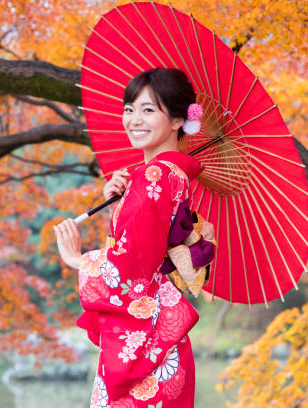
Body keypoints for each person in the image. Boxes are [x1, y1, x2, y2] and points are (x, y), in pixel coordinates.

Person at [54, 68, 215, 407]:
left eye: (148, 110)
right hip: (159, 343)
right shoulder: (171, 175)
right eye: (129, 108)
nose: (133, 119)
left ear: (176, 121)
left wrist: (77, 259)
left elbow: (131, 265)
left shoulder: (155, 175)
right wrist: (122, 200)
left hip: (145, 347)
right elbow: (146, 245)